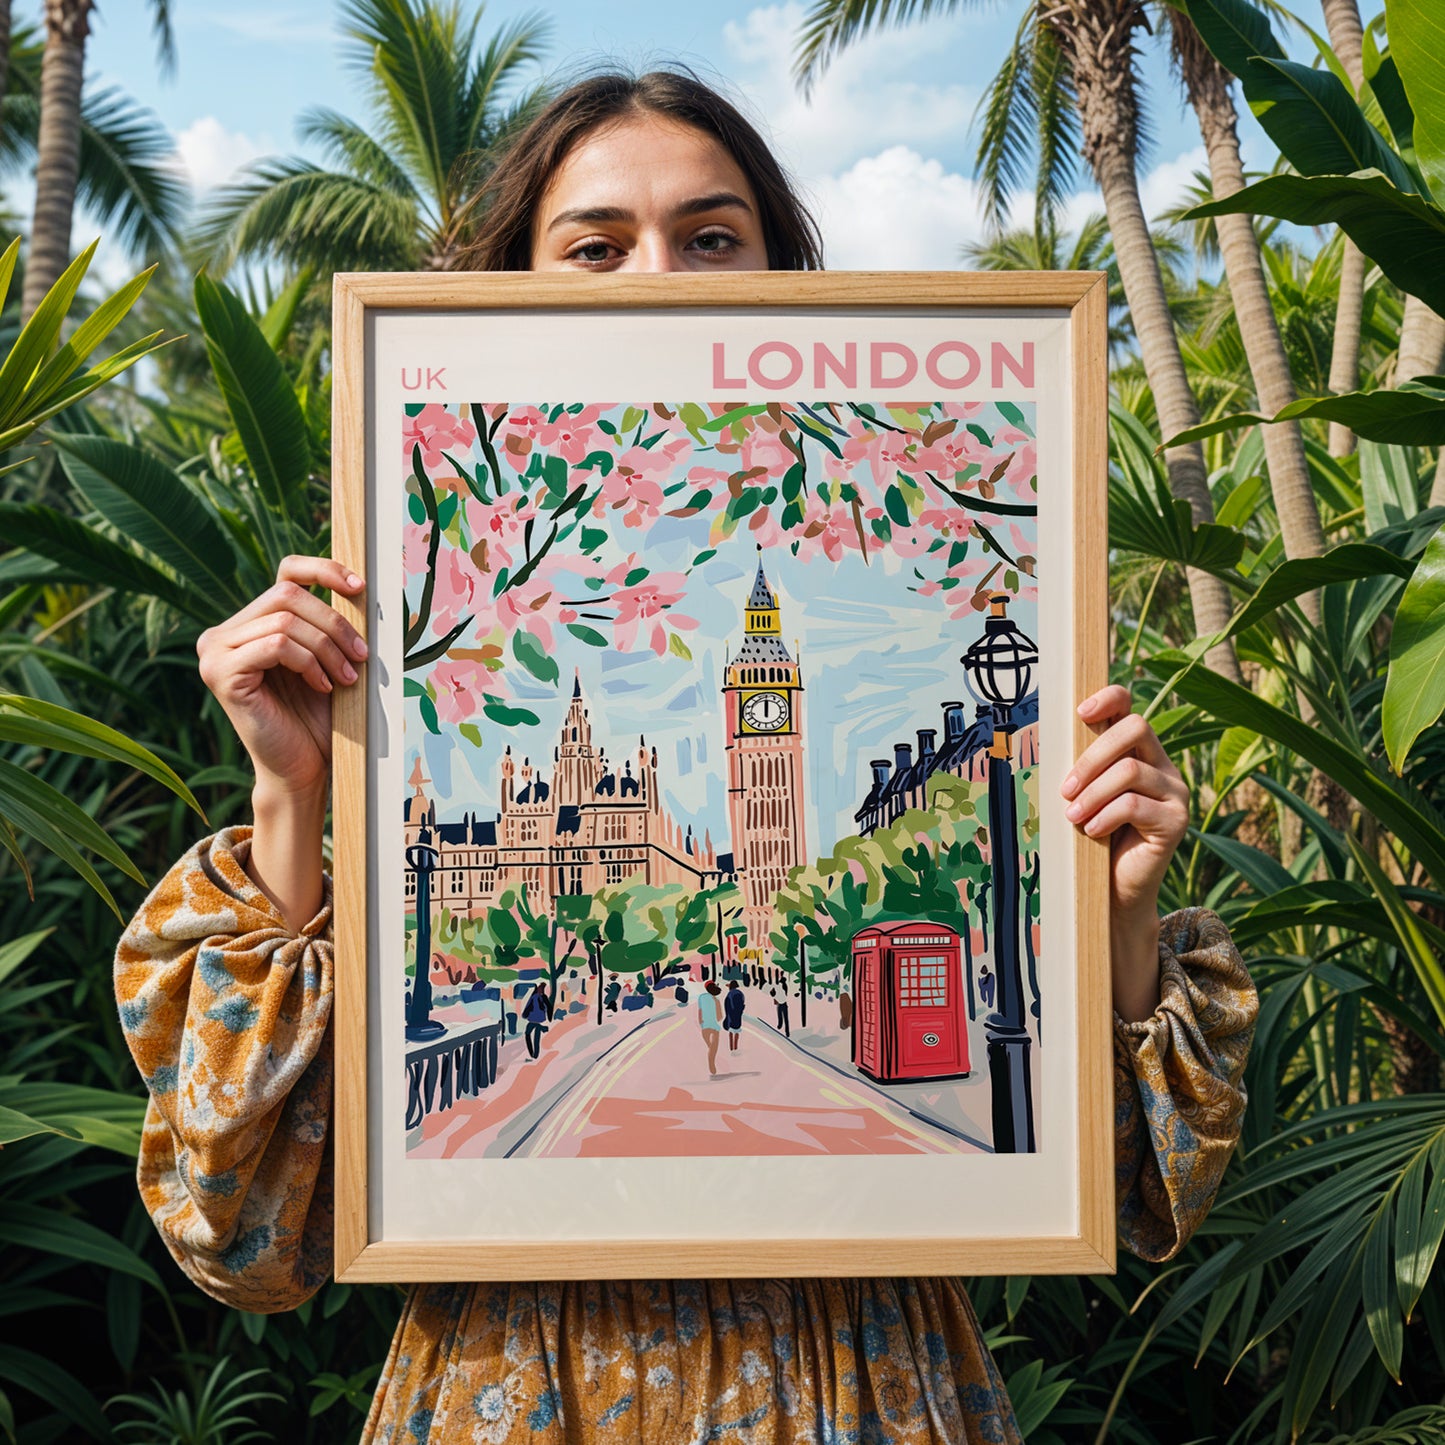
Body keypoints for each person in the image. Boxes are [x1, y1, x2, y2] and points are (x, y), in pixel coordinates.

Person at [114, 67, 1256, 1444]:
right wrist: (295, 788)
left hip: (861, 1386)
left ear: (786, 276)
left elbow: (1141, 1201)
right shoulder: (393, 684)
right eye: (594, 245)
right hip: (524, 1392)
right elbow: (245, 1241)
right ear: (503, 290)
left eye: (711, 237)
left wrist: (1110, 911)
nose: (657, 277)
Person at [697, 978, 724, 1076]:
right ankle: (712, 1063)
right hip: (714, 1027)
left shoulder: (701, 997)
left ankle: (712, 1061)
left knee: (710, 1046)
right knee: (713, 1047)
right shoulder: (716, 1000)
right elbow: (720, 1017)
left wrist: (701, 1022)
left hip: (704, 1026)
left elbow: (700, 1011)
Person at [522, 983, 548, 1060]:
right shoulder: (542, 997)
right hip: (538, 1020)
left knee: (528, 1034)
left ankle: (533, 1054)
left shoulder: (535, 997)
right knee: (535, 1037)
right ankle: (534, 1054)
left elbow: (528, 1006)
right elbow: (546, 1008)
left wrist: (524, 1015)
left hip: (533, 1020)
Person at [723, 978, 747, 1052]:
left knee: (730, 1032)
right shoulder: (740, 993)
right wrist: (741, 1011)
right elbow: (743, 1004)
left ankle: (731, 1048)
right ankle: (735, 1047)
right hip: (738, 1015)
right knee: (737, 1032)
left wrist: (727, 1015)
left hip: (730, 1015)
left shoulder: (729, 994)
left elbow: (727, 1005)